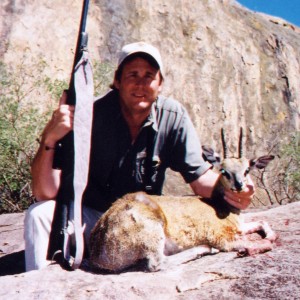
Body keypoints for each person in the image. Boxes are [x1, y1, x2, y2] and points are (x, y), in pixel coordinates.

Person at [25, 42, 254, 271]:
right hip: (91, 219)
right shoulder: (90, 116)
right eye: (132, 74)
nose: (141, 84)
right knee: (38, 215)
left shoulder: (173, 116)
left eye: (149, 76)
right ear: (117, 80)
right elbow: (45, 192)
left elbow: (200, 178)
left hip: (141, 222)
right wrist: (49, 139)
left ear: (160, 84)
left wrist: (234, 191)